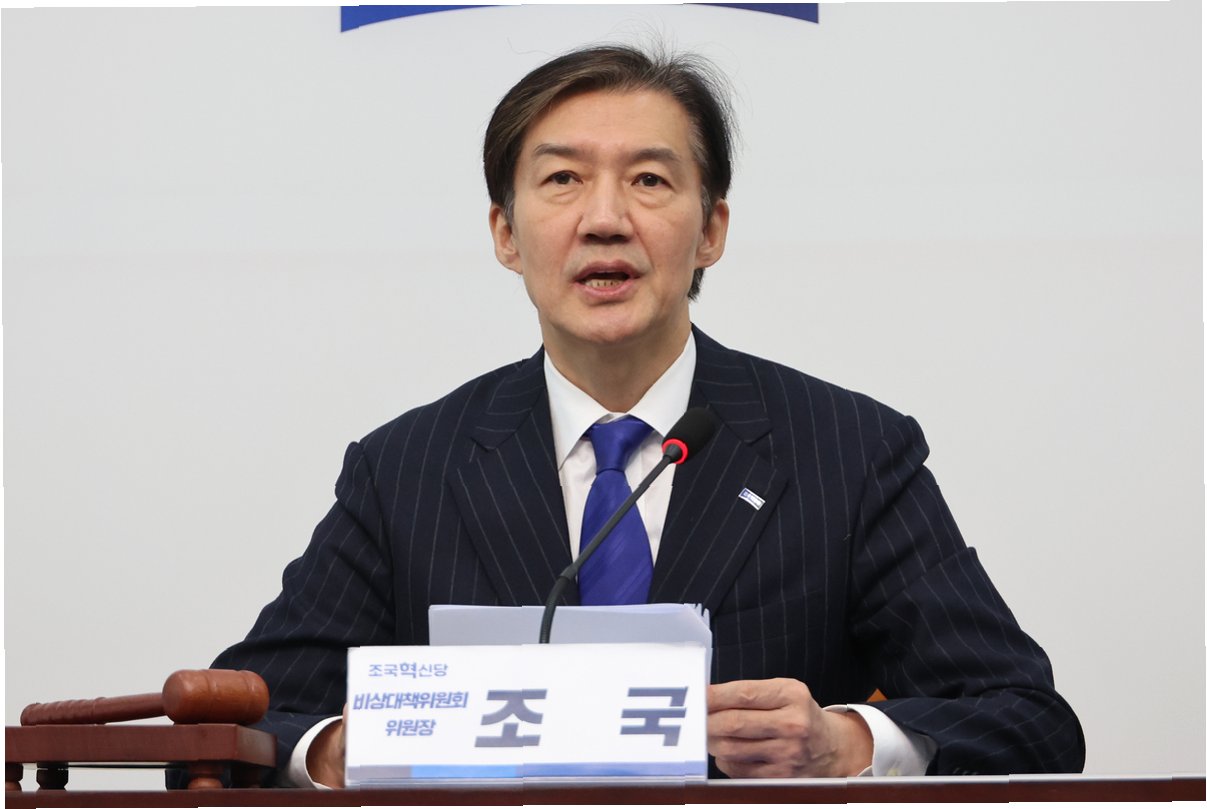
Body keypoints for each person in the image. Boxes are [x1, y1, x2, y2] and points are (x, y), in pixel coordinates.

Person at [211, 44, 1085, 787]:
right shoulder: (407, 468)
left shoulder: (848, 451)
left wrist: (843, 743)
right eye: (562, 179)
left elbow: (1029, 720)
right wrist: (336, 751)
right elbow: (231, 729)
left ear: (710, 231)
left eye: (649, 180)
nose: (604, 219)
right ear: (506, 233)